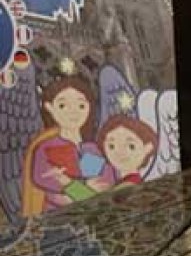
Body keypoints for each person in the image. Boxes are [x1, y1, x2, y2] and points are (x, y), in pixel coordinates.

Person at [22, 75, 110, 215]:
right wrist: (82, 189)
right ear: (50, 107)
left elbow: (102, 182)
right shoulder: (46, 147)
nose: (73, 112)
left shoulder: (90, 148)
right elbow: (48, 184)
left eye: (81, 105)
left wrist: (69, 184)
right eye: (63, 105)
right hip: (58, 218)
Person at [96, 114, 158, 185]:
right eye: (111, 146)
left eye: (131, 146)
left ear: (147, 148)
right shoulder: (121, 182)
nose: (120, 152)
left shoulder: (129, 184)